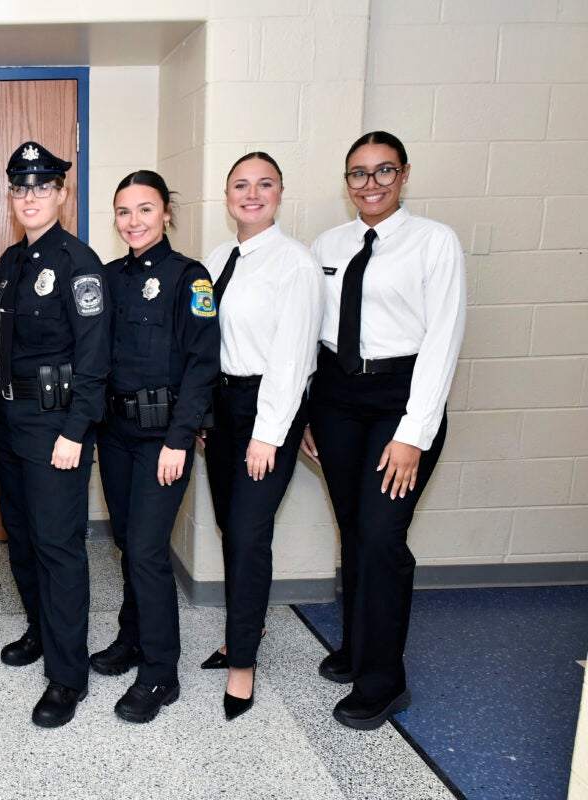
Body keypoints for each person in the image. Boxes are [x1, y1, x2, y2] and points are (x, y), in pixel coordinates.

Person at [307, 131, 465, 730]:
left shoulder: (434, 243)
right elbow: (312, 329)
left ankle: (384, 680)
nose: (369, 184)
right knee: (353, 529)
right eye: (357, 173)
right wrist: (307, 412)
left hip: (401, 400)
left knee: (380, 536)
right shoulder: (330, 243)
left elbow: (443, 341)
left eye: (382, 171)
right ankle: (356, 649)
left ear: (403, 176)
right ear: (346, 181)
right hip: (337, 398)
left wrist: (413, 434)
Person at [196, 153, 323, 721]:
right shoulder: (218, 259)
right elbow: (202, 342)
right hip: (221, 407)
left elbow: (293, 358)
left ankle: (242, 660)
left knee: (248, 534)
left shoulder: (295, 264)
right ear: (227, 197)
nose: (252, 194)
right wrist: (202, 413)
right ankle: (246, 624)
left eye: (264, 184)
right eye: (241, 185)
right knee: (231, 526)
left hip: (265, 409)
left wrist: (269, 434)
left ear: (280, 192)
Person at [93, 170, 219, 724]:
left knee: (146, 549)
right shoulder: (107, 276)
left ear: (167, 212)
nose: (134, 221)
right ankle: (133, 637)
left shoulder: (189, 277)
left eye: (145, 209)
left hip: (161, 439)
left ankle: (161, 671)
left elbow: (202, 364)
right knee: (127, 541)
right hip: (115, 434)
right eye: (124, 211)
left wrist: (179, 439)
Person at [0, 141, 110, 728]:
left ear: (62, 193)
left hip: (56, 424)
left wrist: (75, 430)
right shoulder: (9, 264)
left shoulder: (78, 262)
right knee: (22, 538)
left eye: (42, 186)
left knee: (60, 548)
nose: (30, 197)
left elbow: (94, 358)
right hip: (11, 422)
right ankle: (41, 632)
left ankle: (68, 676)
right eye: (20, 187)